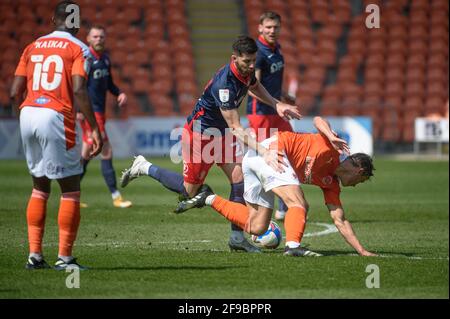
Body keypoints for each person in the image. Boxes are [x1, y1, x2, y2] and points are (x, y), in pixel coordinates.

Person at [120, 35, 302, 253]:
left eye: (254, 61)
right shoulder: (224, 86)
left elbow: (255, 86)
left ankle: (236, 238)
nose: (252, 65)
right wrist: (264, 151)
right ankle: (144, 166)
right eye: (247, 62)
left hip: (222, 134)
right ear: (234, 58)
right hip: (201, 135)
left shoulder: (246, 71)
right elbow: (237, 127)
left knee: (239, 179)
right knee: (189, 192)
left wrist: (276, 104)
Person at [176, 116, 377, 257]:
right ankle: (293, 246)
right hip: (271, 152)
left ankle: (208, 198)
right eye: (361, 180)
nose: (356, 185)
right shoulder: (333, 148)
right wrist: (331, 136)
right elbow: (318, 119)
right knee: (298, 203)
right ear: (359, 170)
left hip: (257, 162)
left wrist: (361, 250)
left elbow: (339, 219)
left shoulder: (331, 184)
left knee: (257, 226)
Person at [10, 1, 103, 270]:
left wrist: (30, 107)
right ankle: (64, 259)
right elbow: (79, 89)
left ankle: (35, 256)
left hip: (28, 112)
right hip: (56, 115)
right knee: (71, 189)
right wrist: (94, 129)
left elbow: (15, 89)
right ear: (75, 24)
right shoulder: (78, 48)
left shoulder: (32, 46)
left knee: (39, 188)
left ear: (53, 20)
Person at [246, 11, 295, 221]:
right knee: (262, 158)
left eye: (275, 27)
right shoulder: (258, 53)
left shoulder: (277, 50)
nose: (272, 31)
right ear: (260, 28)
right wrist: (276, 103)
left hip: (277, 111)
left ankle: (284, 205)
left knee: (290, 151)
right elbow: (251, 87)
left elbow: (272, 81)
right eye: (268, 27)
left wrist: (283, 96)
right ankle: (256, 204)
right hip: (260, 114)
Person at [77, 25, 131, 208]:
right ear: (88, 39)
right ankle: (116, 196)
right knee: (106, 151)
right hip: (91, 113)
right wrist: (79, 109)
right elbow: (78, 86)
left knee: (85, 153)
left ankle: (71, 195)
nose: (99, 39)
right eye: (95, 36)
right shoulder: (87, 60)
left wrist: (119, 93)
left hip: (99, 112)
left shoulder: (105, 59)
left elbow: (109, 84)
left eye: (101, 36)